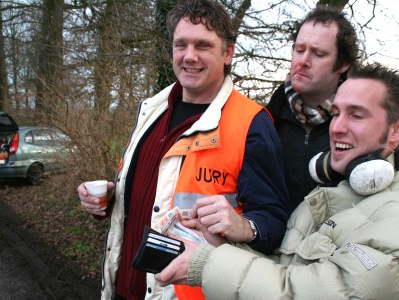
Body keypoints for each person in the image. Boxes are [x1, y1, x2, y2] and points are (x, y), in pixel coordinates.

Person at [155, 62, 399, 299]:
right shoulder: (326, 198)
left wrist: (207, 263)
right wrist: (219, 246)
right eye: (336, 113)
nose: (338, 127)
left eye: (356, 115)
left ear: (397, 130)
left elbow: (316, 293)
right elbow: (283, 270)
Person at [77, 0, 292, 299]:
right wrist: (112, 199)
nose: (189, 56)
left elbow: (274, 219)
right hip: (124, 290)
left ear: (227, 53)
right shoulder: (151, 111)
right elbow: (155, 195)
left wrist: (245, 226)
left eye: (203, 45)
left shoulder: (251, 123)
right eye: (181, 45)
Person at [266, 5, 399, 210]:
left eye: (318, 53)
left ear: (343, 65)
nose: (303, 61)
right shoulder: (266, 122)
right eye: (299, 49)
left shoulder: (377, 125)